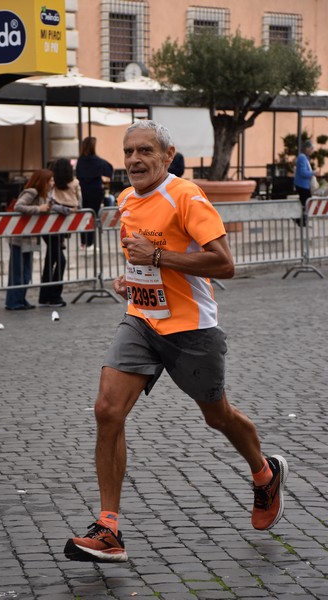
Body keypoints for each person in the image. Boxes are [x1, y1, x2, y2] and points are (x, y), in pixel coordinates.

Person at [64, 120, 288, 563]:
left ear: (168, 156)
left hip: (191, 330)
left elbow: (225, 265)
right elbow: (143, 260)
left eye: (145, 150)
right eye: (128, 151)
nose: (133, 160)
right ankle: (109, 528)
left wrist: (160, 258)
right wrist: (130, 280)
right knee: (107, 410)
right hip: (142, 321)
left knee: (218, 415)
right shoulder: (126, 200)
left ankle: (264, 474)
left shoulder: (186, 196)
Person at [5, 169, 52, 310]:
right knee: (18, 272)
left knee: (26, 272)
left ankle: (21, 298)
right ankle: (13, 301)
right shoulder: (31, 192)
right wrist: (39, 208)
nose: (52, 183)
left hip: (30, 238)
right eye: (50, 180)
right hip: (19, 238)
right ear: (43, 181)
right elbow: (19, 206)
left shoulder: (44, 195)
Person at [38, 158, 81, 307]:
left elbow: (50, 203)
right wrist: (68, 210)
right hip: (59, 227)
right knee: (60, 260)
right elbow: (79, 202)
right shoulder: (72, 182)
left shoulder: (53, 183)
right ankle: (55, 296)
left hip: (48, 227)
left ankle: (44, 296)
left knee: (50, 259)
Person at [76, 136, 113, 249]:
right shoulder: (98, 161)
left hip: (82, 191)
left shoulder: (80, 161)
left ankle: (83, 243)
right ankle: (90, 243)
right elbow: (109, 169)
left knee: (84, 216)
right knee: (92, 217)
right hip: (96, 192)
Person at [294, 139, 317, 226]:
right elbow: (303, 172)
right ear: (307, 149)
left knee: (305, 202)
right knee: (307, 202)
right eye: (311, 149)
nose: (312, 151)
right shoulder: (302, 158)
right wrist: (313, 173)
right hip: (302, 185)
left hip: (303, 184)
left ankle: (302, 220)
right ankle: (300, 220)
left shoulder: (303, 158)